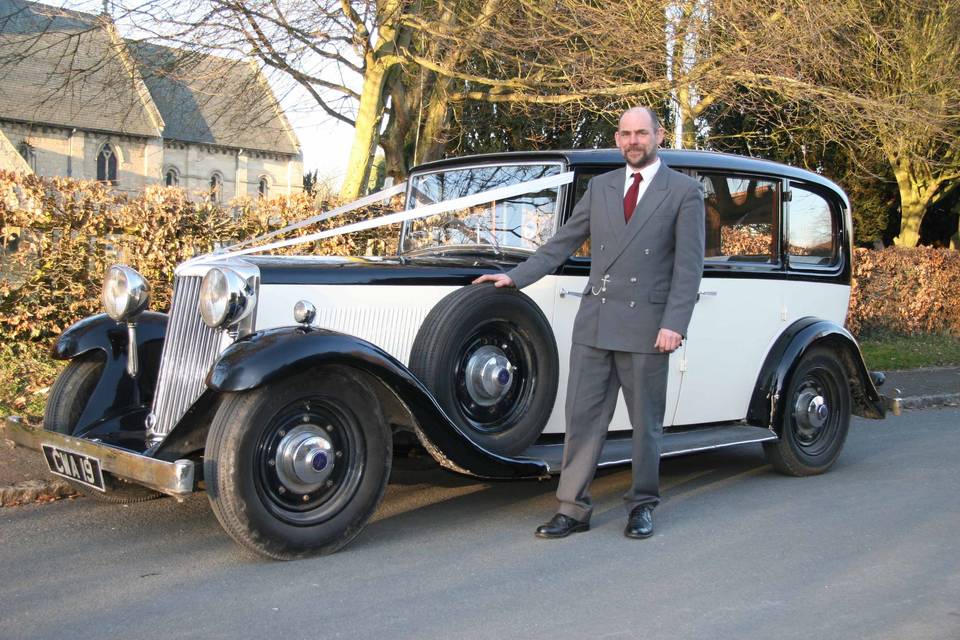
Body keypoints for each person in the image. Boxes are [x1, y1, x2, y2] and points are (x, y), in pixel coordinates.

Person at [473, 106, 705, 539]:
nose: (632, 141)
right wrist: (515, 277)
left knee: (645, 424)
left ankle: (642, 504)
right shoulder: (601, 188)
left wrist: (675, 323)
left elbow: (688, 268)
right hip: (596, 321)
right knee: (582, 420)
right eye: (625, 134)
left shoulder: (684, 192)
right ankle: (572, 508)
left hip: (649, 326)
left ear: (658, 136)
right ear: (617, 140)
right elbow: (560, 243)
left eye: (641, 133)